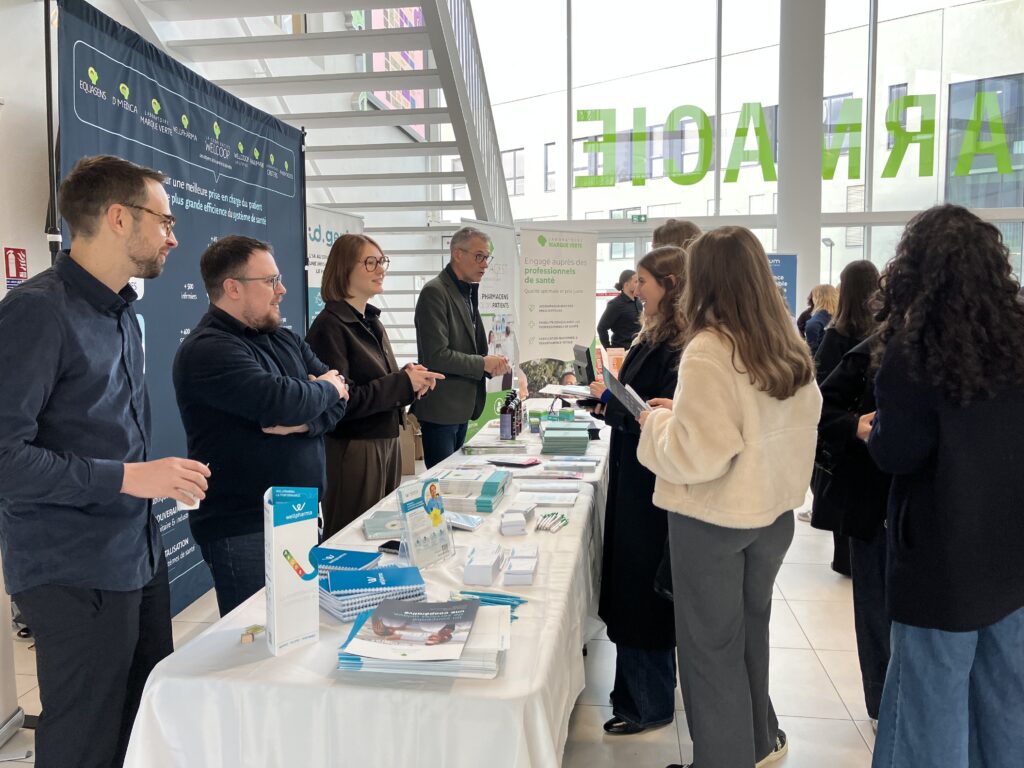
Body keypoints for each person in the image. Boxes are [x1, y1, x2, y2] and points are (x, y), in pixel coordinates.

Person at [0, 155, 211, 768]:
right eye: (164, 221)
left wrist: (147, 480)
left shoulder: (124, 315)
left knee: (139, 727)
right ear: (120, 218)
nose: (173, 236)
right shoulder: (38, 311)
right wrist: (129, 477)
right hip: (74, 569)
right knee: (84, 739)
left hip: (136, 557)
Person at [637, 226, 821, 768]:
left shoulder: (710, 347)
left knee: (708, 650)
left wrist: (655, 421)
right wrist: (681, 416)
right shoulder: (787, 339)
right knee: (749, 635)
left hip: (715, 519)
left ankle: (721, 759)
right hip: (772, 514)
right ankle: (758, 741)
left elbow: (699, 454)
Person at [865, 204, 1024, 768]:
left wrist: (872, 430)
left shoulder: (912, 354)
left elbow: (899, 452)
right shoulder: (1018, 341)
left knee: (930, 704)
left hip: (940, 556)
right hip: (1011, 552)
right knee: (1004, 703)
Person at [173, 235, 348, 616]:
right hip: (244, 527)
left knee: (298, 626)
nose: (281, 290)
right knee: (255, 642)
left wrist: (303, 423)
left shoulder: (285, 339)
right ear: (232, 288)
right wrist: (324, 390)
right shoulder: (209, 349)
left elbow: (339, 400)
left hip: (300, 514)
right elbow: (282, 401)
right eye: (269, 281)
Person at [589, 246, 688, 736]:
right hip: (636, 477)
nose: (635, 290)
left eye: (644, 283)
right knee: (633, 587)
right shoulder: (657, 335)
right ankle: (638, 696)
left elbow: (664, 415)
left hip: (653, 487)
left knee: (643, 593)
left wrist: (630, 408)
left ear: (669, 284)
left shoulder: (682, 346)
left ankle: (647, 703)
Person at [306, 234, 442, 539]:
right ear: (343, 268)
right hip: (355, 448)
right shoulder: (330, 327)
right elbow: (342, 401)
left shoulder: (370, 321)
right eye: (371, 262)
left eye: (382, 261)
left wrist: (411, 381)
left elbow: (379, 383)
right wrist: (402, 383)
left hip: (387, 440)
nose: (380, 269)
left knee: (382, 535)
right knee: (352, 539)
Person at [816, 333, 891, 730]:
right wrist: (854, 427)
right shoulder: (870, 352)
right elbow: (822, 408)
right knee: (876, 606)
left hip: (940, 511)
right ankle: (881, 702)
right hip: (873, 503)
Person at [805, 260, 881, 578]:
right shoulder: (884, 332)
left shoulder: (838, 333)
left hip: (848, 432)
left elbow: (822, 390)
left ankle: (845, 561)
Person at [412, 226, 510, 467]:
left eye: (487, 257)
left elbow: (468, 346)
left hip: (461, 407)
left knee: (455, 481)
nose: (485, 264)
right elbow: (437, 356)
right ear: (457, 254)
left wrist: (489, 365)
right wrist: (482, 363)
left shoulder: (465, 291)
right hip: (441, 410)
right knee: (440, 487)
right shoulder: (435, 292)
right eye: (479, 256)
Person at [597, 269, 642, 349]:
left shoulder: (638, 301)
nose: (638, 284)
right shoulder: (615, 304)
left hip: (637, 350)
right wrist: (609, 349)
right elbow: (601, 328)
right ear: (626, 284)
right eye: (636, 282)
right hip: (621, 352)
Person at [804, 283, 838, 355]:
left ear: (816, 298)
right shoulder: (840, 317)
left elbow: (812, 351)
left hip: (822, 362)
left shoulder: (816, 321)